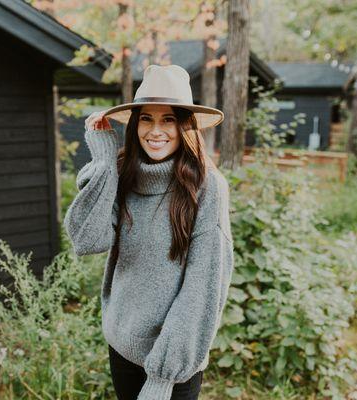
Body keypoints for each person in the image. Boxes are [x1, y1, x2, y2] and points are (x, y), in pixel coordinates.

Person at [63, 64, 234, 400]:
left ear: (185, 126)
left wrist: (162, 377)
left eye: (168, 119)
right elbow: (87, 239)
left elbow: (203, 286)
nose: (156, 130)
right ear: (135, 124)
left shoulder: (207, 187)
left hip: (174, 361)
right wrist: (102, 160)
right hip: (122, 346)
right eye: (146, 118)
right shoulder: (120, 174)